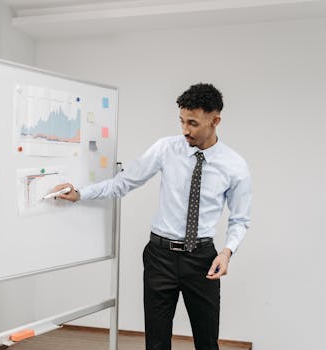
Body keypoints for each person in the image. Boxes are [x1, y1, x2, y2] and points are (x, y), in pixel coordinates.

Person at [52, 83, 251, 350]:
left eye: (192, 123)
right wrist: (80, 193)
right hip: (160, 257)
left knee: (207, 343)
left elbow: (240, 219)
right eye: (181, 121)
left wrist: (227, 252)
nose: (185, 130)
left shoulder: (234, 165)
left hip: (202, 260)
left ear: (215, 121)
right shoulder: (166, 149)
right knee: (156, 344)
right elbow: (124, 182)